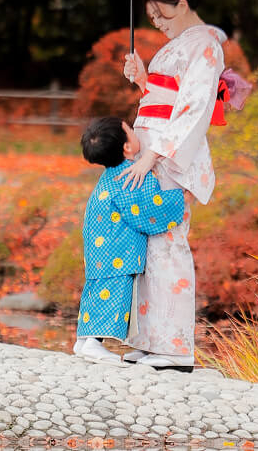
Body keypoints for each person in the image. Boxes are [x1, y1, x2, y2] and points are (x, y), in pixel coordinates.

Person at [118, 0, 227, 370]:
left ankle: (175, 347)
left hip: (169, 155)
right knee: (147, 246)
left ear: (182, 5)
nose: (158, 24)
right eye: (152, 18)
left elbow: (194, 108)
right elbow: (164, 98)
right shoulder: (178, 46)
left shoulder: (206, 46)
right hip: (151, 150)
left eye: (161, 15)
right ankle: (150, 340)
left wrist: (157, 153)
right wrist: (144, 80)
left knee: (168, 244)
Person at [72, 116, 186, 365]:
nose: (137, 134)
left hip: (101, 243)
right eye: (132, 131)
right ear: (127, 147)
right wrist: (179, 197)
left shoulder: (112, 175)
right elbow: (149, 211)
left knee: (97, 289)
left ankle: (84, 340)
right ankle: (93, 343)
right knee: (112, 293)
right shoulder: (131, 176)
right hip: (116, 248)